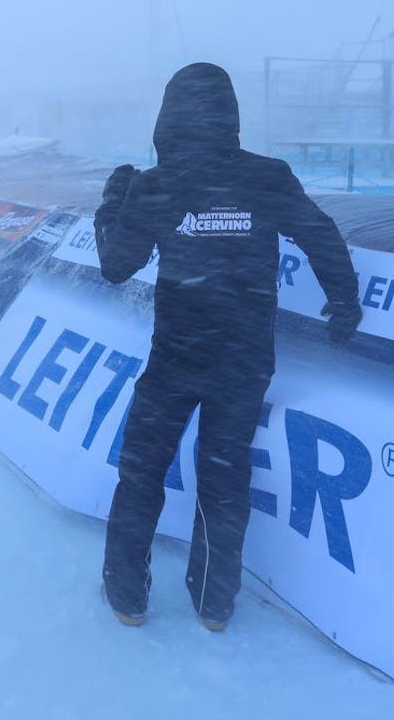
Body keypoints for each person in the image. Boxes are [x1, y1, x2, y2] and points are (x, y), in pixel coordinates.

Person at [93, 62, 362, 631]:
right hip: (243, 359)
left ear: (167, 118)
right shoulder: (267, 176)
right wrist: (345, 303)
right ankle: (214, 605)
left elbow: (116, 266)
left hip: (176, 355)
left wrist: (113, 201)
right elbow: (319, 233)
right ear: (230, 115)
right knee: (224, 476)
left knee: (141, 471)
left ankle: (127, 599)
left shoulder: (155, 185)